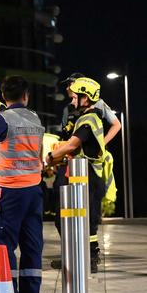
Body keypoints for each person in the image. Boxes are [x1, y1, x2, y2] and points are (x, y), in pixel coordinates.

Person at [0, 76, 45, 293]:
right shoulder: (35, 118)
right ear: (26, 96)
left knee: (3, 247)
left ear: (4, 97)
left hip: (8, 191)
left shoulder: (1, 120)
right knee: (32, 247)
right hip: (34, 190)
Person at [47, 77, 106, 273]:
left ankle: (90, 257)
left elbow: (72, 145)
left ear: (86, 98)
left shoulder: (89, 120)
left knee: (88, 220)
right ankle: (73, 255)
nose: (72, 102)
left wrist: (49, 157)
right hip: (79, 174)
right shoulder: (82, 118)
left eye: (75, 98)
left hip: (89, 175)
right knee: (65, 217)